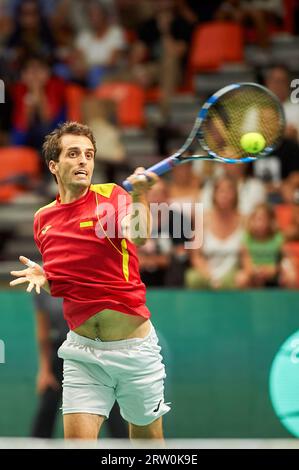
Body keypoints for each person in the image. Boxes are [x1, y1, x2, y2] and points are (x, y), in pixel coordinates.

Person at [10, 121, 170, 440]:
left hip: (134, 350)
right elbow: (68, 284)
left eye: (89, 154)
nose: (84, 160)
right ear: (54, 165)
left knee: (149, 447)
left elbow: (138, 236)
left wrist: (139, 196)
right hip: (83, 352)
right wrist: (47, 277)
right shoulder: (43, 219)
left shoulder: (111, 196)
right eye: (73, 153)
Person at [31, 290, 128, 438]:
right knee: (46, 409)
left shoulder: (89, 277)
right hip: (59, 355)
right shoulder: (41, 286)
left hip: (97, 351)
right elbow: (43, 331)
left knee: (115, 415)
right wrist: (44, 370)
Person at [185, 176, 243, 289]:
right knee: (191, 277)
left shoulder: (244, 221)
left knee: (241, 280)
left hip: (233, 274)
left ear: (235, 195)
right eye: (221, 191)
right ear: (214, 194)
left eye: (229, 191)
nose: (225, 195)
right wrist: (210, 277)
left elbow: (247, 255)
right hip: (206, 274)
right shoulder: (202, 219)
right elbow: (196, 257)